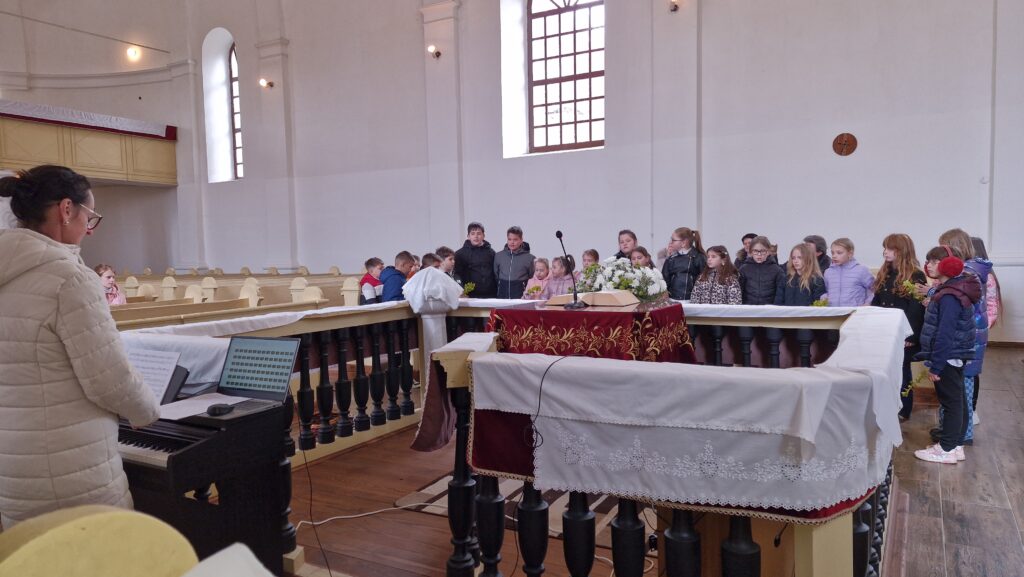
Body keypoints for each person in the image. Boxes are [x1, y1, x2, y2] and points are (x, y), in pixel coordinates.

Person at [0, 165, 160, 528]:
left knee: (33, 554)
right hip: (69, 466)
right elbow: (108, 378)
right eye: (90, 217)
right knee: (92, 551)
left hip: (12, 463)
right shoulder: (70, 279)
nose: (89, 229)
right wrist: (147, 410)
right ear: (66, 209)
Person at [913, 246, 980, 464]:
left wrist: (937, 365)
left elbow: (945, 334)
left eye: (934, 261)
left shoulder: (950, 296)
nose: (929, 265)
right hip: (953, 355)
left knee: (951, 402)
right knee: (958, 400)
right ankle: (956, 445)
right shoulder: (952, 289)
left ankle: (946, 449)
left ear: (948, 265)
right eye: (928, 261)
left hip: (948, 356)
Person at [937, 228, 991, 443]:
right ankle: (951, 430)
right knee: (957, 388)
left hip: (966, 336)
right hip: (970, 333)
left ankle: (961, 435)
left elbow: (955, 298)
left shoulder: (967, 273)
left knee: (961, 390)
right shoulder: (971, 270)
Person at [871, 234, 927, 420]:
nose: (885, 252)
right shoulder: (885, 273)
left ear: (901, 251)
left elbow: (916, 309)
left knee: (901, 370)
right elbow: (877, 301)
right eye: (885, 248)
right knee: (883, 370)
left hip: (903, 333)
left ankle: (904, 409)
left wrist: (910, 336)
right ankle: (885, 405)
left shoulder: (915, 275)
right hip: (884, 330)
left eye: (889, 248)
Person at [822, 238, 874, 306]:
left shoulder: (862, 270)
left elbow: (873, 289)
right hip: (833, 311)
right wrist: (824, 298)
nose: (834, 256)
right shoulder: (828, 272)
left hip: (855, 311)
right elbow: (826, 291)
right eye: (832, 253)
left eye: (839, 253)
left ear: (850, 254)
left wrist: (868, 303)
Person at [662, 227, 707, 300]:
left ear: (683, 243)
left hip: (693, 300)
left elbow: (704, 280)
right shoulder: (671, 259)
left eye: (673, 240)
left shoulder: (699, 257)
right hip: (673, 299)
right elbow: (664, 280)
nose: (670, 242)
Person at [738, 235, 784, 305]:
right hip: (748, 309)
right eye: (755, 251)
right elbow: (739, 292)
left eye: (762, 251)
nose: (759, 254)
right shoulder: (744, 269)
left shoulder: (777, 270)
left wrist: (775, 307)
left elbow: (780, 293)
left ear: (768, 251)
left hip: (770, 309)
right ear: (751, 252)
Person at [454, 222, 496, 297]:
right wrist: (462, 291)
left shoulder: (491, 253)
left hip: (491, 294)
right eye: (473, 234)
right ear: (468, 236)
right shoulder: (460, 254)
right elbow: (457, 274)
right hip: (470, 295)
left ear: (483, 236)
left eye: (479, 234)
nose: (476, 236)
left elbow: (496, 272)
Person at [493, 225, 535, 299]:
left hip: (521, 297)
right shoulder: (498, 256)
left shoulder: (530, 258)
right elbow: (496, 275)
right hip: (502, 296)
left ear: (521, 240)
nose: (512, 242)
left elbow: (532, 277)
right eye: (509, 239)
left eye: (515, 239)